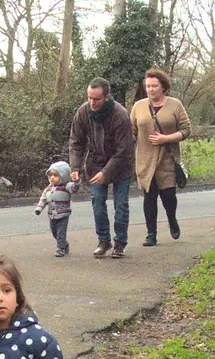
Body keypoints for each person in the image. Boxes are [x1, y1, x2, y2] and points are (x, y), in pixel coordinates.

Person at [68, 77, 135, 259]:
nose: (92, 102)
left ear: (106, 97)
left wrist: (106, 173)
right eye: (89, 97)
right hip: (96, 163)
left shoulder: (120, 115)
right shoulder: (83, 112)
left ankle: (120, 243)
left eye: (96, 99)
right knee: (98, 202)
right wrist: (75, 166)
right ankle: (103, 241)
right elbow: (76, 142)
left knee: (120, 204)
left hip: (121, 164)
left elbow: (124, 150)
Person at [128, 67, 191, 246]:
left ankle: (172, 219)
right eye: (147, 86)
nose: (150, 89)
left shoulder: (175, 105)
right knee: (149, 197)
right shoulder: (138, 106)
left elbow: (187, 130)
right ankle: (151, 234)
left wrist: (167, 138)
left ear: (163, 86)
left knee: (168, 196)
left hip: (167, 159)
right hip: (145, 160)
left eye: (154, 86)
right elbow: (131, 131)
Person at [34, 159, 77, 257]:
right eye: (50, 175)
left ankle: (61, 249)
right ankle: (64, 245)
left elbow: (74, 188)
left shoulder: (66, 186)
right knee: (54, 232)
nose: (52, 178)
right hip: (52, 215)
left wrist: (76, 181)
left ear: (63, 176)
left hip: (63, 214)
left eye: (56, 175)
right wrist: (39, 208)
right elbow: (43, 199)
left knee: (61, 232)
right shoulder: (48, 189)